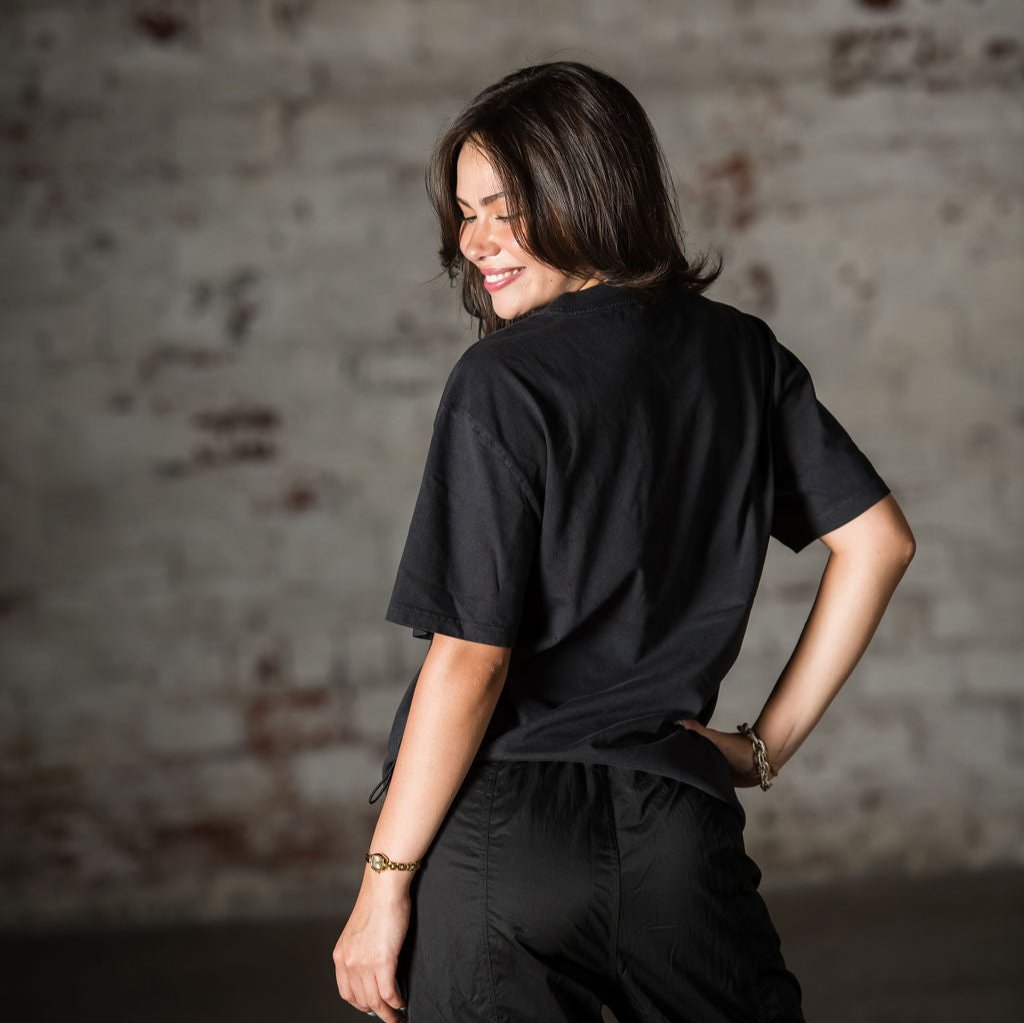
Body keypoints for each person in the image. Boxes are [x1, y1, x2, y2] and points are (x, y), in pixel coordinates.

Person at [333, 60, 916, 1023]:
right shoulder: (742, 354)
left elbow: (471, 656)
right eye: (464, 213)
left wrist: (382, 885)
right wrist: (762, 749)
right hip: (676, 832)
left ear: (583, 189)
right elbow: (879, 543)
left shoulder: (501, 381)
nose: (476, 242)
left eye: (503, 207)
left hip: (503, 840)